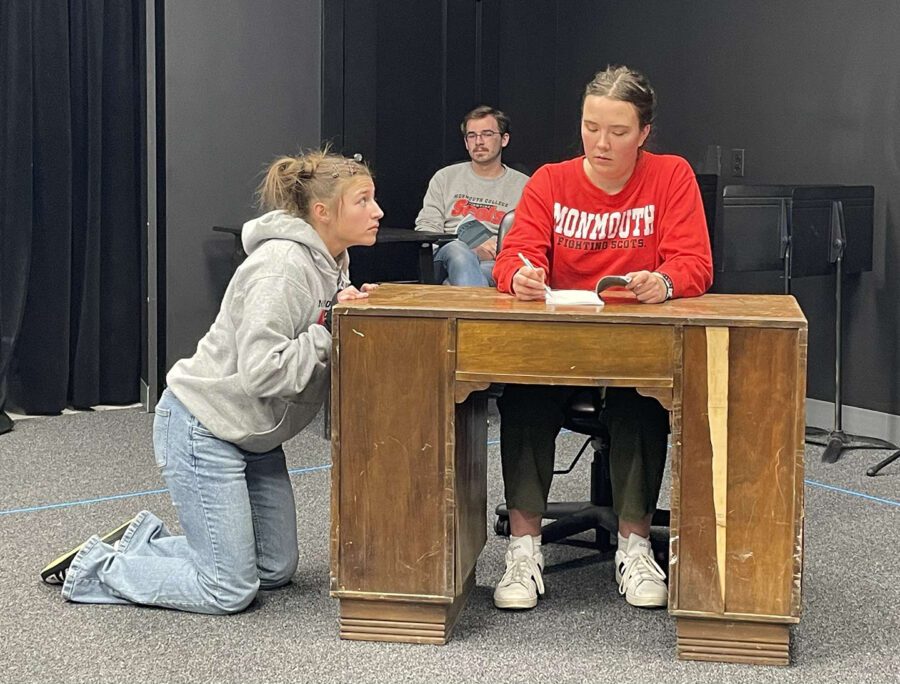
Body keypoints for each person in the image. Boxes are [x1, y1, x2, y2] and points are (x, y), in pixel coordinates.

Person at [40, 150, 383, 614]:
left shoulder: (332, 261)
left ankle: (142, 541)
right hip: (204, 429)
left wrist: (352, 313)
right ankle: (94, 566)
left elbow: (313, 329)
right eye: (363, 200)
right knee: (228, 590)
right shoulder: (282, 267)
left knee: (273, 570)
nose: (377, 211)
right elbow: (264, 371)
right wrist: (330, 329)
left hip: (254, 438)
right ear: (322, 212)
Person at [490, 66, 713, 611]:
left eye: (617, 131)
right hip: (559, 344)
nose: (601, 142)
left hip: (634, 347)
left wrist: (664, 281)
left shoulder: (671, 176)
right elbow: (515, 254)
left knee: (642, 403)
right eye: (591, 127)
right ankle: (523, 549)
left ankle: (635, 547)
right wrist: (520, 275)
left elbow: (695, 262)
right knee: (523, 395)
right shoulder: (550, 181)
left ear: (644, 132)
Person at [415, 105, 529, 286]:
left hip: (494, 260)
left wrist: (494, 248)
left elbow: (527, 238)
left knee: (459, 279)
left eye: (487, 134)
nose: (479, 141)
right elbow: (426, 228)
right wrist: (471, 250)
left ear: (504, 139)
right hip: (445, 255)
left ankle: (455, 292)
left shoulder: (524, 185)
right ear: (466, 142)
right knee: (458, 251)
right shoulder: (445, 177)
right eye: (472, 135)